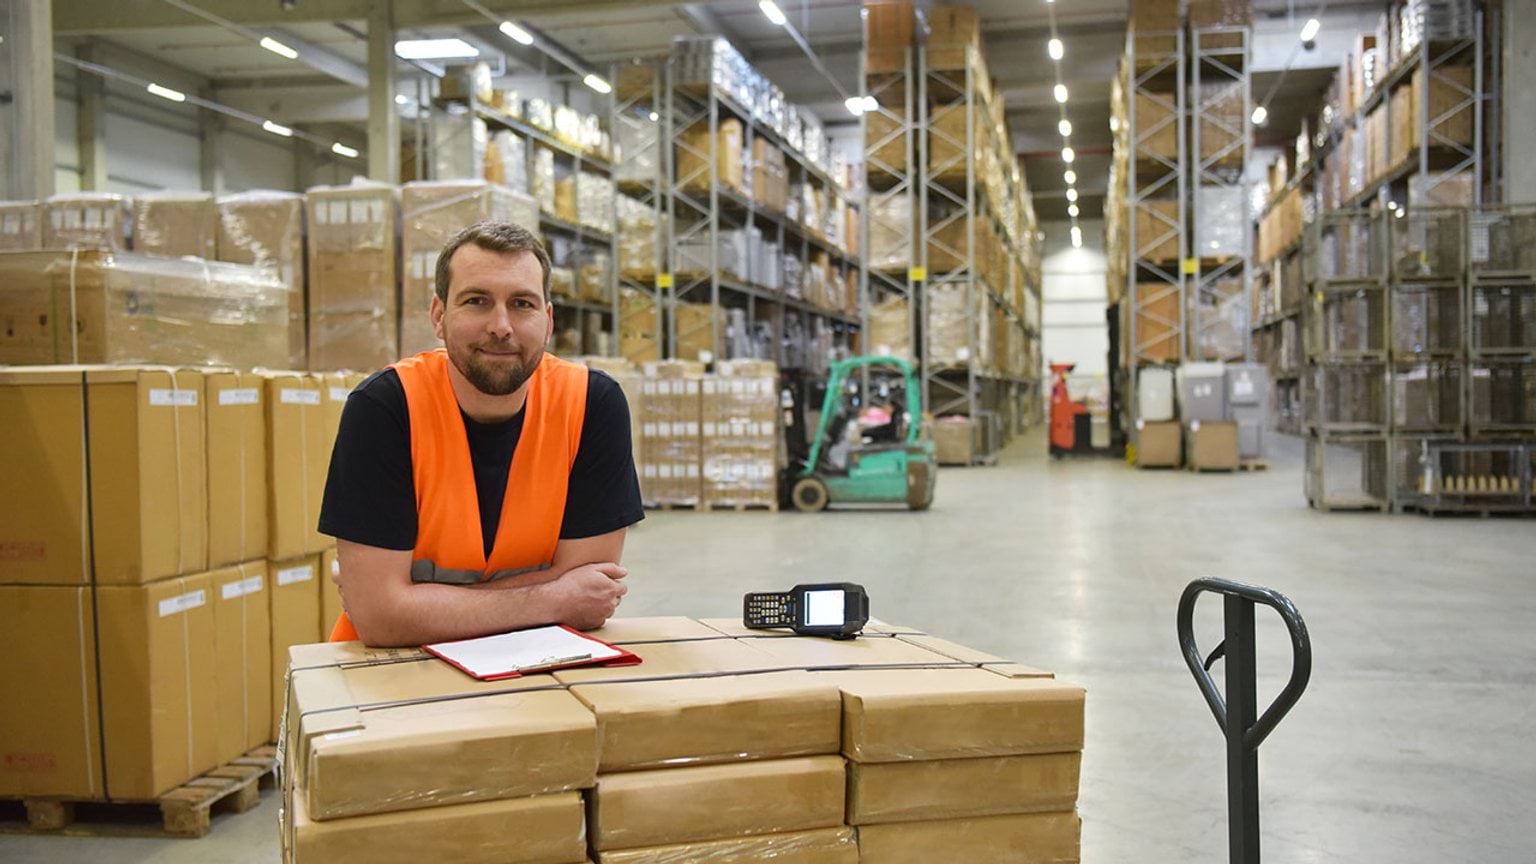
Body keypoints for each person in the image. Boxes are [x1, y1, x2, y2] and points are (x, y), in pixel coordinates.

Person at [318, 221, 644, 647]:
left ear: (547, 321)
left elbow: (589, 595)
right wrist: (552, 597)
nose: (501, 326)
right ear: (439, 315)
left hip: (542, 663)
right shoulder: (385, 407)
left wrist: (413, 600)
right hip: (392, 672)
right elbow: (381, 620)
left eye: (522, 304)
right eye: (476, 301)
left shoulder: (591, 404)